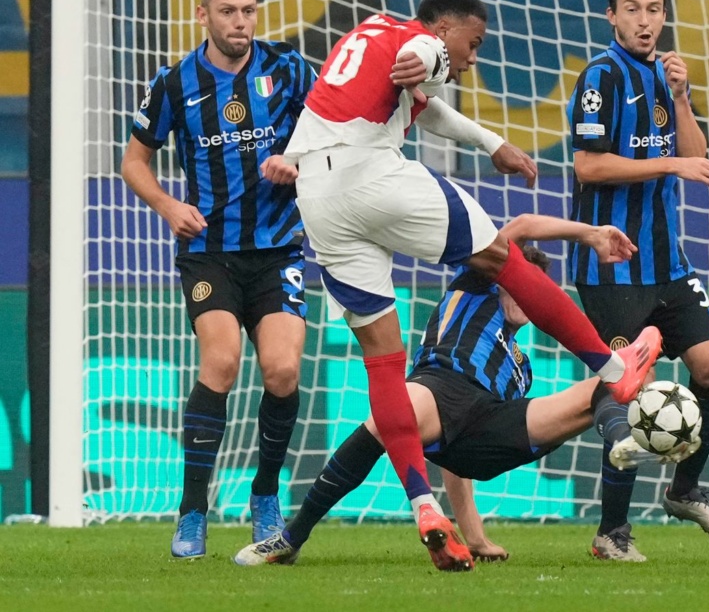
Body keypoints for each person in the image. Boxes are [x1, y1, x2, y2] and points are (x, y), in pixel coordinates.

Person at [274, 0, 663, 571]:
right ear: (446, 28)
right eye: (472, 43)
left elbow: (422, 102)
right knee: (504, 257)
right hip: (369, 170)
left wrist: (490, 142)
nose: (472, 57)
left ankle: (425, 507)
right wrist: (426, 58)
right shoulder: (424, 43)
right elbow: (423, 59)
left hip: (317, 198)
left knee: (383, 360)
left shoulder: (372, 29)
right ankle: (613, 369)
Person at [232, 214, 669, 568]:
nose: (531, 296)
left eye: (540, 291)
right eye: (525, 284)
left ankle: (618, 477)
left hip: (492, 429)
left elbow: (458, 461)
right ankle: (291, 537)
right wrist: (589, 234)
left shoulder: (521, 368)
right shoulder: (476, 283)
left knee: (610, 384)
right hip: (439, 388)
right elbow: (520, 226)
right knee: (390, 415)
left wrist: (474, 535)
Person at [120, 0, 315, 559]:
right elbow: (133, 162)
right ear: (202, 14)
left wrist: (299, 161)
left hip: (278, 247)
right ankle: (192, 511)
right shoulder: (174, 82)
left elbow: (335, 130)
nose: (240, 22)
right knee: (223, 362)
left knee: (282, 372)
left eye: (248, 11)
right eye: (228, 11)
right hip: (209, 253)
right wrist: (167, 206)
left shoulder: (288, 68)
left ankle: (265, 495)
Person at [565, 0, 709, 561]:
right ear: (612, 16)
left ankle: (685, 490)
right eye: (633, 9)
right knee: (627, 388)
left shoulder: (667, 76)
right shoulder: (600, 76)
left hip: (668, 262)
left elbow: (696, 158)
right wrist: (671, 166)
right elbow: (588, 166)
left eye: (655, 9)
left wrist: (683, 99)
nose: (645, 20)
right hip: (612, 265)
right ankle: (612, 532)